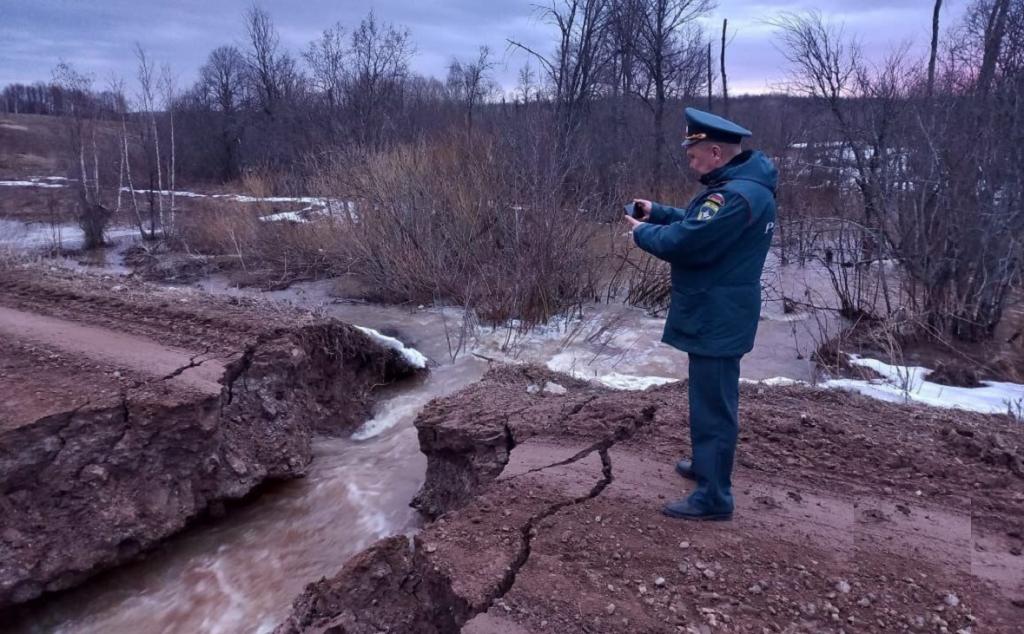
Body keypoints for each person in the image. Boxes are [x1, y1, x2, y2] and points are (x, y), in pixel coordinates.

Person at [624, 107, 778, 521]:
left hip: (717, 314)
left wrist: (643, 233)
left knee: (713, 405)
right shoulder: (741, 188)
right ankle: (706, 467)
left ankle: (714, 497)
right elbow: (699, 223)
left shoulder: (733, 195)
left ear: (714, 152)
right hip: (721, 310)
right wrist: (657, 211)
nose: (690, 163)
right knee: (708, 397)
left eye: (693, 156)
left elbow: (687, 242)